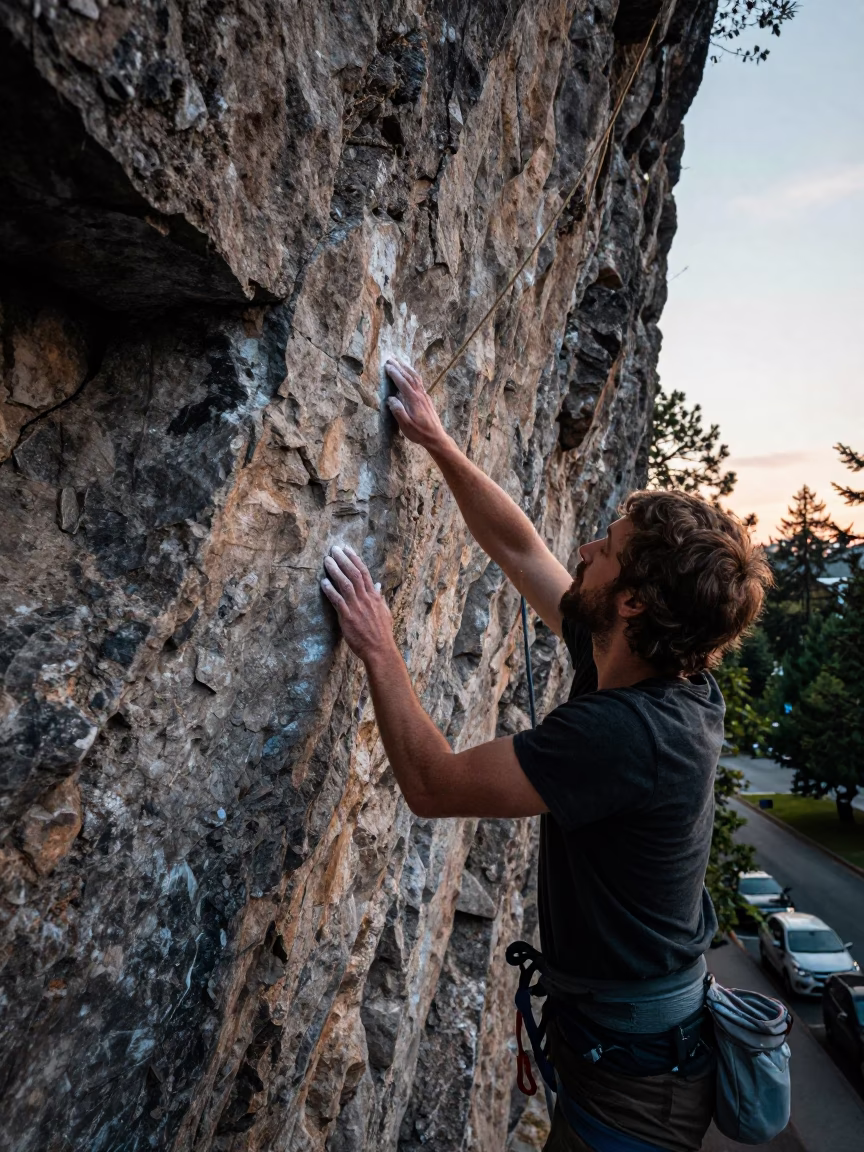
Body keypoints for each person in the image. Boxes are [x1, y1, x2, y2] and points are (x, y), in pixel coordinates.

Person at [319, 358, 772, 1152]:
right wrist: (435, 438)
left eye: (607, 548)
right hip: (629, 1047)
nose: (588, 546)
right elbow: (522, 548)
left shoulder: (628, 734)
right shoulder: (648, 662)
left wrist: (379, 648)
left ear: (630, 602)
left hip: (637, 1094)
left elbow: (430, 785)